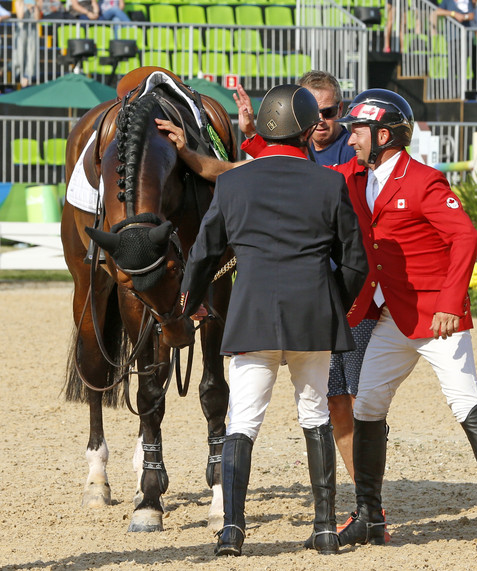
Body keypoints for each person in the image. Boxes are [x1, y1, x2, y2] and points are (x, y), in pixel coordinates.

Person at [321, 89, 477, 553]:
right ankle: (370, 518)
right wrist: (254, 142)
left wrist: (452, 303)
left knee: (466, 405)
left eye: (357, 130)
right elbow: (299, 176)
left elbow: (466, 237)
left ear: (384, 134)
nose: (349, 138)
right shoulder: (354, 174)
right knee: (367, 406)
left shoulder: (425, 181)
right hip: (391, 316)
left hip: (438, 318)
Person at [177, 84, 368, 557]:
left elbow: (203, 254)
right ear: (305, 130)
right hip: (312, 319)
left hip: (252, 317)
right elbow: (356, 263)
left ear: (264, 128)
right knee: (316, 415)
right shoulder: (329, 183)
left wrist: (190, 301)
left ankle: (232, 531)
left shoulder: (234, 182)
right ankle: (325, 528)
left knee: (243, 422)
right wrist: (332, 305)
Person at [13, 0, 40, 88]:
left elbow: (37, 19)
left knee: (31, 53)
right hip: (21, 30)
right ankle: (19, 75)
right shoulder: (18, 1)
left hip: (32, 31)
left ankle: (28, 77)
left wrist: (34, 8)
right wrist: (25, 6)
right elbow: (20, 16)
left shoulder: (37, 1)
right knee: (20, 53)